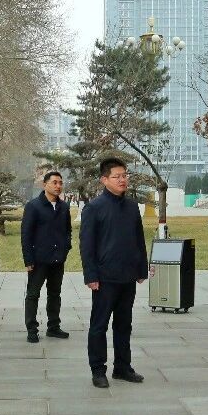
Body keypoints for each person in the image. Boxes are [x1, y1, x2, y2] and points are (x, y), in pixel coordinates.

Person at [80, 158, 148, 389]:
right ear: (104, 179)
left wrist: (141, 268)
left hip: (127, 276)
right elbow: (86, 245)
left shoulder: (131, 207)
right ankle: (98, 370)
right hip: (105, 278)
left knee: (124, 324)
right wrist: (91, 275)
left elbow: (138, 239)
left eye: (125, 175)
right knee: (99, 325)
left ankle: (122, 367)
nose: (123, 180)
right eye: (117, 176)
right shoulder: (94, 208)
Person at [21, 170, 71, 343]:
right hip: (38, 259)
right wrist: (28, 259)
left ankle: (53, 326)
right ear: (45, 185)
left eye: (60, 183)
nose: (58, 186)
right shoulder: (34, 206)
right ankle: (32, 329)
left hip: (58, 259)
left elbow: (67, 231)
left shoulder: (64, 207)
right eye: (54, 182)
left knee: (55, 294)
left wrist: (66, 249)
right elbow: (26, 234)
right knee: (33, 294)